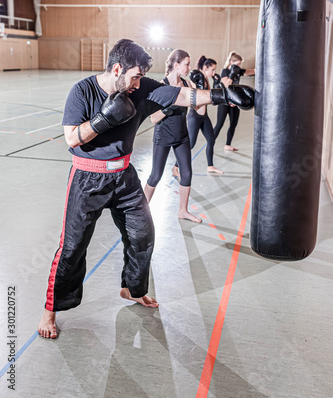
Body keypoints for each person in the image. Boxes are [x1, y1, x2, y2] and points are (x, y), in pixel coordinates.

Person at [37, 39, 253, 339]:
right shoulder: (82, 91)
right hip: (88, 178)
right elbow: (72, 139)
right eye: (136, 76)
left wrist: (220, 95)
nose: (139, 84)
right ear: (117, 69)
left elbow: (182, 95)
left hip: (124, 177)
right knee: (72, 248)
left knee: (143, 234)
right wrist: (101, 121)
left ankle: (133, 289)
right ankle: (50, 310)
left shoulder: (142, 88)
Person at [144, 49, 201, 224]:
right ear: (176, 65)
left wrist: (201, 90)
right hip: (164, 136)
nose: (189, 68)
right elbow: (154, 119)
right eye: (187, 64)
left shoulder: (187, 84)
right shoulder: (161, 86)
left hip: (182, 136)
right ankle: (141, 212)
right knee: (155, 175)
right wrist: (169, 107)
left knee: (187, 173)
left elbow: (201, 110)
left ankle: (183, 211)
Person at [187, 55, 223, 175]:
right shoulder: (196, 77)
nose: (214, 72)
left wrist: (217, 83)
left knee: (211, 139)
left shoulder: (206, 79)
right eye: (212, 69)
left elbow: (209, 97)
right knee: (191, 143)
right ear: (205, 68)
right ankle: (177, 166)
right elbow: (196, 97)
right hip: (195, 115)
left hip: (204, 115)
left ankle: (210, 166)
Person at [213, 51, 255, 151]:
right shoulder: (225, 71)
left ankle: (228, 144)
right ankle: (211, 144)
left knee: (233, 123)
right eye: (238, 64)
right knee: (219, 124)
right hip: (225, 101)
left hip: (235, 101)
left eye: (240, 64)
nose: (239, 66)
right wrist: (232, 74)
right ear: (231, 62)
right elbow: (226, 85)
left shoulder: (238, 71)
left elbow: (252, 71)